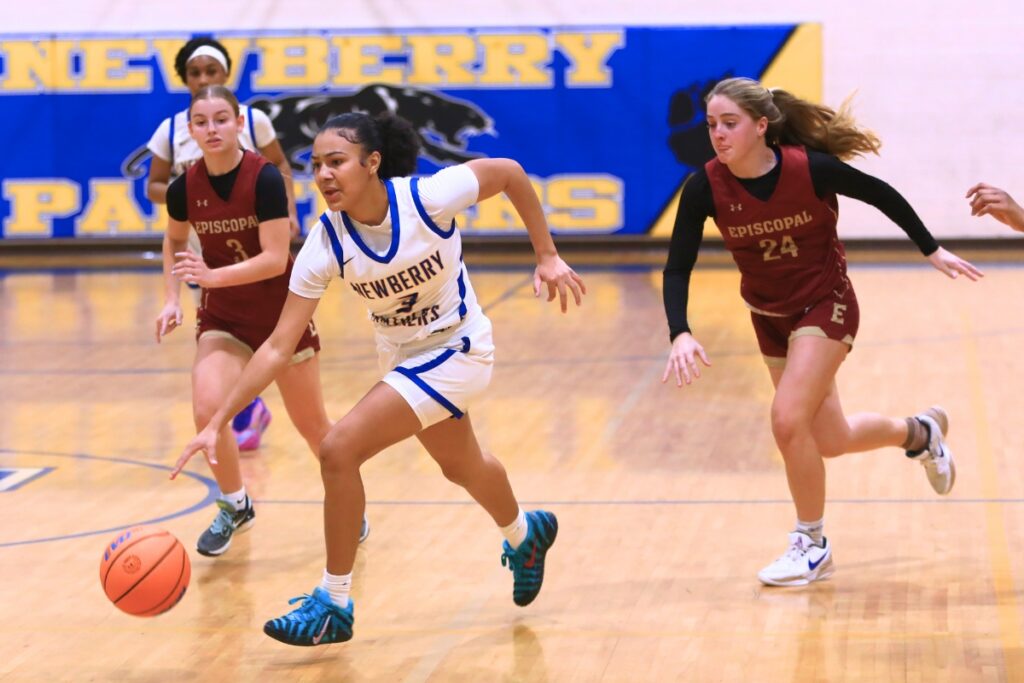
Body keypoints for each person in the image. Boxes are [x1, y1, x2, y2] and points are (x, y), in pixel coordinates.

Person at [172, 111, 586, 645]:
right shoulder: (325, 242)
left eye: (336, 162)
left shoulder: (428, 198)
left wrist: (547, 255)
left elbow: (507, 171)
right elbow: (278, 345)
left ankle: (332, 603)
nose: (323, 175)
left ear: (372, 163)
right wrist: (219, 420)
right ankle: (526, 533)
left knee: (338, 449)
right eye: (316, 164)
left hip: (459, 349)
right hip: (404, 358)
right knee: (461, 465)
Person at [662, 77, 983, 587]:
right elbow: (678, 267)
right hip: (769, 315)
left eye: (730, 123)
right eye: (711, 125)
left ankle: (811, 542)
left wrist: (931, 249)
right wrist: (680, 331)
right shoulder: (704, 186)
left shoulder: (807, 169)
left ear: (761, 126)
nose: (718, 135)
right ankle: (920, 433)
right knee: (828, 439)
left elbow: (883, 195)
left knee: (787, 421)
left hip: (825, 304)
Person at [156, 85, 368, 557]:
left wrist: (211, 273)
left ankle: (351, 501)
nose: (211, 129)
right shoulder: (183, 188)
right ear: (190, 130)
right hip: (224, 318)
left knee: (313, 427)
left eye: (220, 119)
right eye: (201, 121)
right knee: (209, 409)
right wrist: (171, 297)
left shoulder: (265, 179)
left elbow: (275, 259)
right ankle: (235, 504)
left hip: (280, 318)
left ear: (238, 124)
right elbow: (173, 242)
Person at [146, 36, 300, 451]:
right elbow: (155, 188)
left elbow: (281, 167)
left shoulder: (255, 123)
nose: (202, 79)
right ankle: (241, 419)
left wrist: (289, 210)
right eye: (194, 73)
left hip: (257, 238)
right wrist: (194, 193)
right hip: (208, 244)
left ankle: (250, 410)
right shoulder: (171, 131)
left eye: (210, 71)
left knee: (305, 404)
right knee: (224, 334)